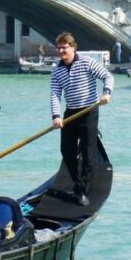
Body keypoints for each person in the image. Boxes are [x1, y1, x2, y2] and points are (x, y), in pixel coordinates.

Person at [50, 32, 113, 208]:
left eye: (65, 47)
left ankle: (82, 189)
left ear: (73, 47)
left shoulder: (87, 62)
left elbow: (107, 76)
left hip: (89, 111)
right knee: (66, 151)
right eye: (59, 47)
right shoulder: (57, 70)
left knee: (87, 153)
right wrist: (56, 116)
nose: (61, 50)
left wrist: (107, 93)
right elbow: (55, 95)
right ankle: (78, 180)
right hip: (71, 113)